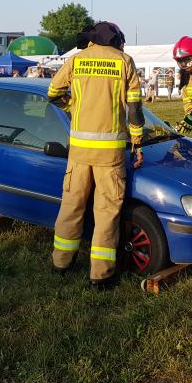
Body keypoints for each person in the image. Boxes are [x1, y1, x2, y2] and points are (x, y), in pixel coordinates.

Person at [47, 21, 144, 291]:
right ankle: (100, 276)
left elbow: (53, 93)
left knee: (71, 207)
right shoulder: (124, 62)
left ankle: (61, 264)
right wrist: (137, 141)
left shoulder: (77, 61)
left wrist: (73, 106)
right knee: (106, 213)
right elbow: (135, 107)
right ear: (115, 39)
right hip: (110, 156)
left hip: (78, 152)